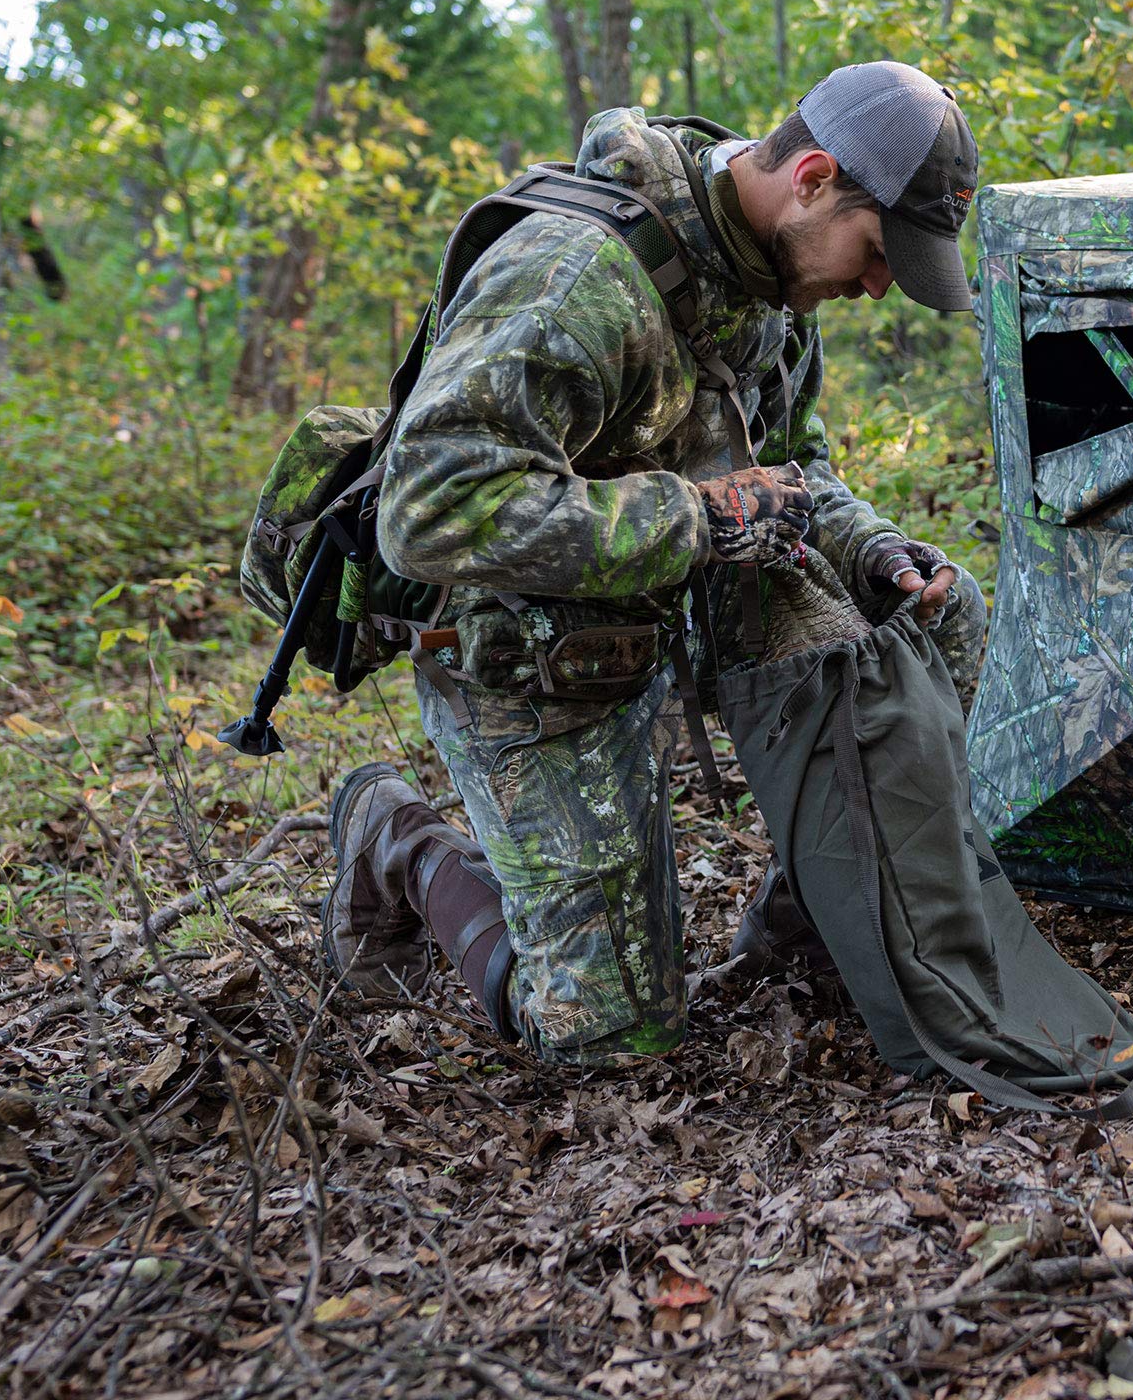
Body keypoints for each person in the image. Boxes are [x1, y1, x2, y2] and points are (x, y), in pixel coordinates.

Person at [317, 62, 986, 1066]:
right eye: (879, 251)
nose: (879, 285)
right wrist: (704, 518)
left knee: (938, 610)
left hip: (681, 598)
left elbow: (795, 464)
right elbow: (429, 509)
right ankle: (396, 838)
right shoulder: (574, 276)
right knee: (611, 1039)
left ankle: (803, 936)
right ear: (810, 178)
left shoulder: (777, 280)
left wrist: (871, 547)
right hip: (530, 642)